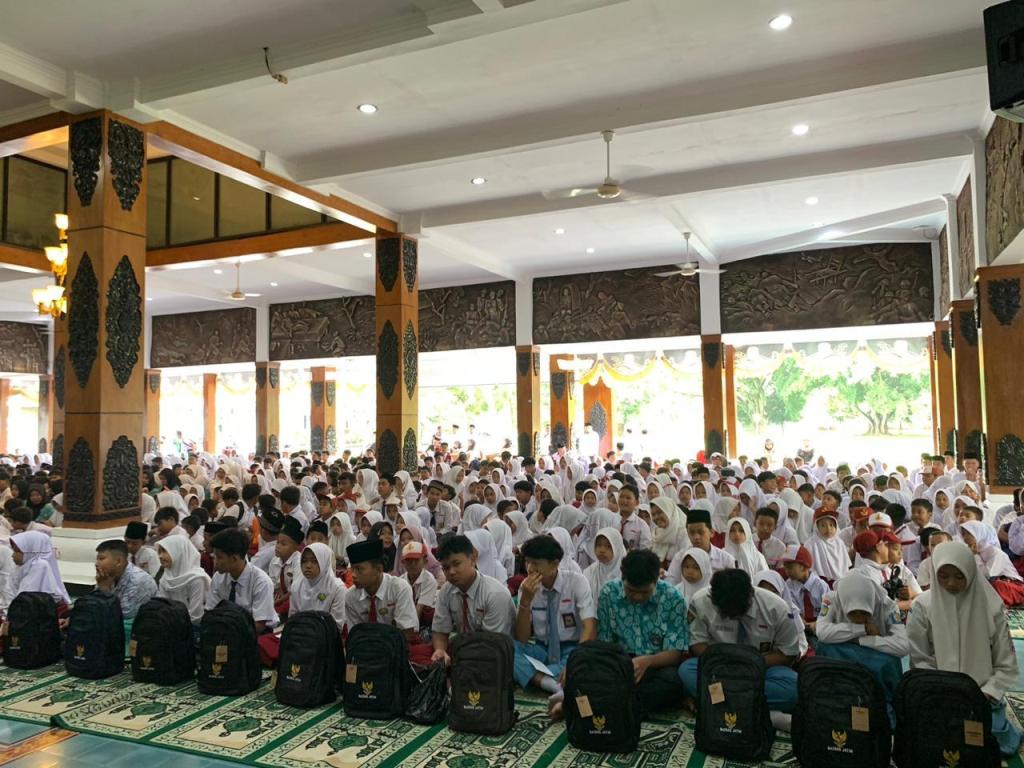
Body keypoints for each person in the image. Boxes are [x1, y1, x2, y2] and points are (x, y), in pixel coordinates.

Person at [906, 541, 1022, 756]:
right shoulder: (923, 606)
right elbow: (919, 660)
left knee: (990, 740)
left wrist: (987, 693)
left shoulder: (991, 606)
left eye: (959, 576)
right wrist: (942, 692)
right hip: (939, 694)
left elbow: (1006, 663)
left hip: (982, 695)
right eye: (943, 576)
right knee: (934, 738)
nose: (951, 583)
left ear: (970, 572)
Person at [681, 569, 801, 729]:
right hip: (720, 669)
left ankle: (717, 704)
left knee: (793, 687)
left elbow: (787, 654)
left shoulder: (776, 607)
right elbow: (697, 643)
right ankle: (762, 714)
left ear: (751, 596)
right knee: (686, 670)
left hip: (761, 670)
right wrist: (726, 664)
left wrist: (749, 664)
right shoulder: (701, 601)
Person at [592, 549, 688, 718]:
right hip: (620, 663)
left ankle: (614, 705)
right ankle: (626, 705)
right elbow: (604, 643)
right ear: (623, 579)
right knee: (594, 672)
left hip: (656, 665)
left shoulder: (672, 598)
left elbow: (675, 653)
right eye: (631, 590)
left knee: (673, 680)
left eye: (644, 592)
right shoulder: (609, 593)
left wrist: (647, 661)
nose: (637, 597)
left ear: (656, 580)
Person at [514, 535, 597, 702]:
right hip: (542, 649)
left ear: (554, 564)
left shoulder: (576, 582)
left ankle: (539, 677)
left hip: (571, 649)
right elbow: (522, 638)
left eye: (536, 563)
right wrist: (525, 603)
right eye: (528, 562)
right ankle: (553, 685)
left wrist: (574, 661)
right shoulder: (526, 587)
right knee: (506, 650)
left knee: (585, 664)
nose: (530, 569)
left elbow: (590, 626)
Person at [815, 572, 908, 714]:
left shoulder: (887, 605)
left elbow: (902, 646)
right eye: (852, 613)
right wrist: (862, 629)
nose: (858, 617)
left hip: (875, 664)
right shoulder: (832, 599)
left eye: (864, 613)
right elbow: (822, 632)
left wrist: (862, 640)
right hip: (843, 663)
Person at [430, 534, 516, 665]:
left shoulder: (495, 594)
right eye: (446, 568)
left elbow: (491, 644)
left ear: (473, 559)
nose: (451, 572)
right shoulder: (446, 590)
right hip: (466, 649)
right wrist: (440, 650)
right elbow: (440, 630)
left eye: (456, 564)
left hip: (495, 652)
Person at [344, 538, 419, 640]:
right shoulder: (350, 596)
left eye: (359, 569)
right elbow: (355, 634)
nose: (353, 575)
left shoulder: (399, 588)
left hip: (396, 645)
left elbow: (407, 632)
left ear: (379, 569)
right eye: (352, 569)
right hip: (366, 646)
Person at [206, 528, 277, 633]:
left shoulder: (261, 582)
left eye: (219, 557)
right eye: (214, 556)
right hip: (224, 630)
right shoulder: (218, 577)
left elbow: (259, 625)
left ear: (234, 558)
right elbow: (211, 611)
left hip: (254, 633)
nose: (215, 562)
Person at [665, 507, 735, 584]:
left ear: (711, 532)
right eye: (692, 533)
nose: (696, 537)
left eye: (701, 532)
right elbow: (670, 584)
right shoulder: (680, 557)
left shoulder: (726, 560)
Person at [94, 540, 157, 625]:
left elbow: (124, 616)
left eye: (101, 559)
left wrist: (104, 590)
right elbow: (94, 606)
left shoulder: (139, 580)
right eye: (97, 559)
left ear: (118, 562)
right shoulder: (106, 577)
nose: (96, 564)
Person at [289, 543, 346, 633]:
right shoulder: (297, 585)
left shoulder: (337, 587)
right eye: (304, 561)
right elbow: (292, 617)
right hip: (300, 633)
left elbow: (336, 626)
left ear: (324, 562)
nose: (308, 566)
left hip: (326, 636)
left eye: (314, 561)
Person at [7, 530, 70, 609]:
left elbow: (25, 597)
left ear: (31, 552)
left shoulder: (39, 565)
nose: (13, 555)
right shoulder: (20, 567)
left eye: (17, 552)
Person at [783, 546, 828, 634]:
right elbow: (791, 607)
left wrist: (818, 623)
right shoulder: (787, 586)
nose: (786, 571)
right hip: (799, 626)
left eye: (790, 567)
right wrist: (799, 620)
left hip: (821, 624)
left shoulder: (820, 585)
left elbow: (827, 607)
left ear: (803, 567)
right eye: (785, 567)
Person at [270, 516, 304, 620]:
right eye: (277, 542)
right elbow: (272, 585)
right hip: (279, 597)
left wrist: (275, 603)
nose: (278, 546)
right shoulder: (274, 561)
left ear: (295, 547)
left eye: (283, 544)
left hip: (293, 599)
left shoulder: (299, 562)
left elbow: (294, 592)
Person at [582, 527, 625, 608]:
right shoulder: (589, 572)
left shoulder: (627, 573)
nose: (602, 550)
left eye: (608, 546)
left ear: (617, 548)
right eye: (599, 545)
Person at [615, 485, 652, 551]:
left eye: (628, 498)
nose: (624, 500)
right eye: (621, 497)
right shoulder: (612, 519)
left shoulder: (642, 525)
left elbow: (645, 550)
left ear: (637, 502)